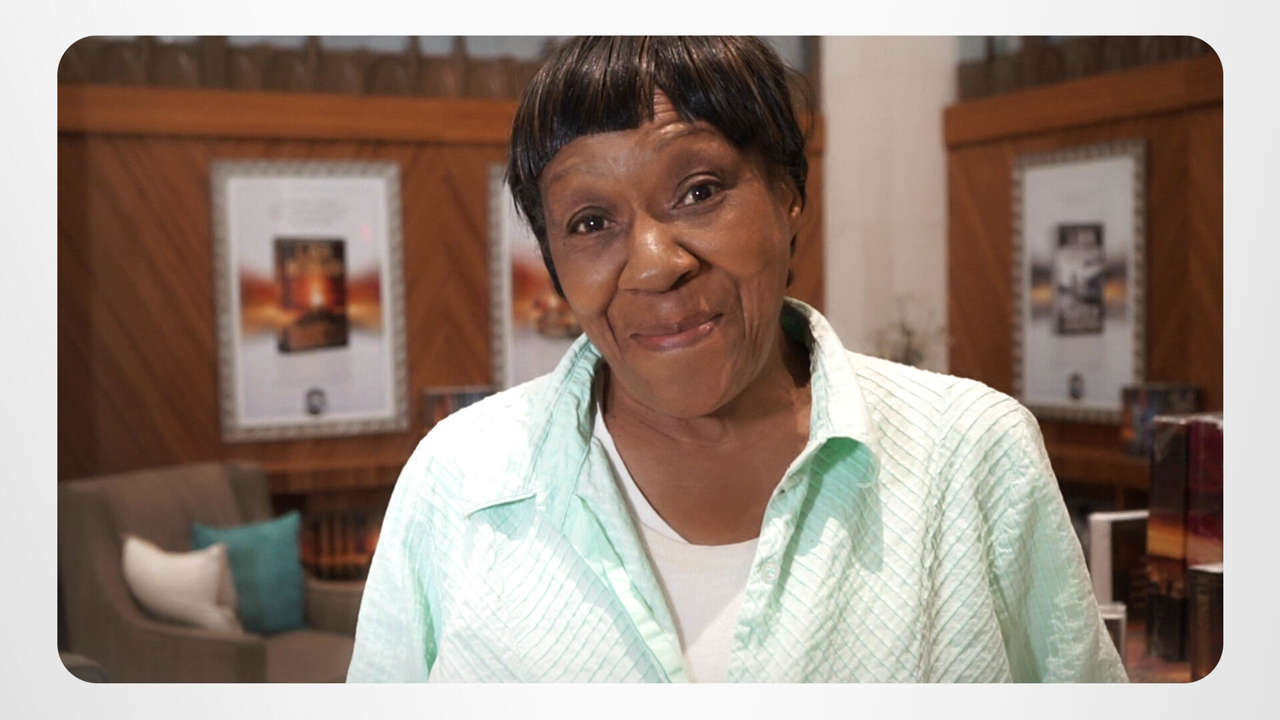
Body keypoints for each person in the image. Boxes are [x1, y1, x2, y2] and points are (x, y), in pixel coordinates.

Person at [347, 36, 1127, 683]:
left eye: (699, 191)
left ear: (788, 194)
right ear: (553, 262)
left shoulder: (969, 455)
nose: (655, 265)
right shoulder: (463, 481)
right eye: (590, 222)